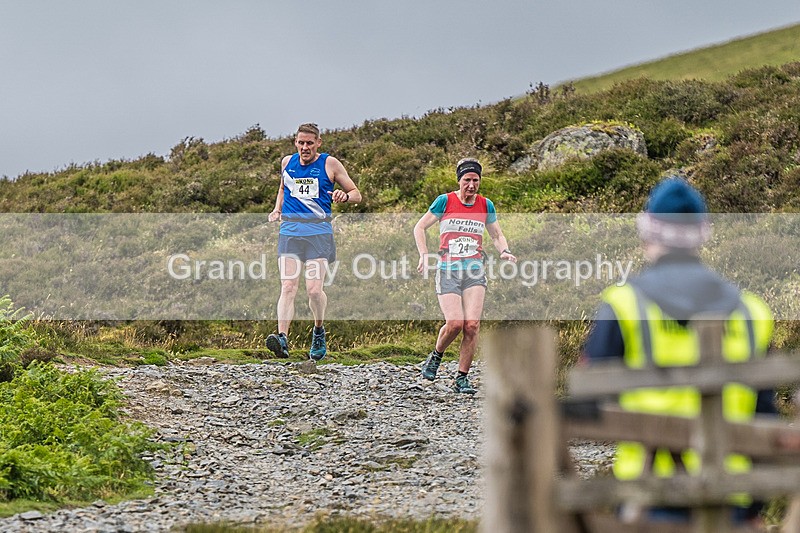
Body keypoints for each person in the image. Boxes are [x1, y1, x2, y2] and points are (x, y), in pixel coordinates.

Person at [582, 176, 776, 526]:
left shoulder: (624, 304)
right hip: (731, 497)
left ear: (647, 234)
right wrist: (754, 506)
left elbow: (589, 405)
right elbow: (766, 413)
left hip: (647, 494)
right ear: (703, 235)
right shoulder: (752, 312)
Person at [413, 158, 516, 394]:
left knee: (472, 325)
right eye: (467, 180)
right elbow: (419, 227)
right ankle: (436, 356)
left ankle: (461, 378)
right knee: (455, 323)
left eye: (475, 180)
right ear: (459, 181)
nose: (471, 185)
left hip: (474, 270)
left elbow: (497, 234)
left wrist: (505, 251)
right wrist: (424, 255)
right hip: (448, 269)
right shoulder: (445, 201)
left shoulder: (485, 205)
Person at [265, 123, 361, 361]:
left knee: (314, 291)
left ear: (318, 143)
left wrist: (344, 196)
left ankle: (318, 330)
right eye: (301, 142)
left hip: (318, 234)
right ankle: (282, 339)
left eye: (309, 143)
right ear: (295, 142)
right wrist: (277, 209)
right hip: (289, 232)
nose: (304, 147)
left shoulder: (330, 164)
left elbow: (356, 194)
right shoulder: (287, 162)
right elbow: (282, 187)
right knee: (288, 287)